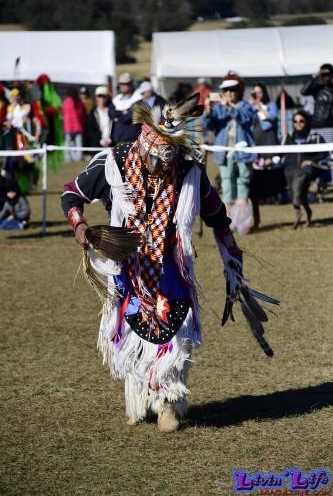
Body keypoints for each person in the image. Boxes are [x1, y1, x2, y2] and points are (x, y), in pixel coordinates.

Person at [61, 93, 277, 432]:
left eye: (168, 161)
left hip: (171, 270)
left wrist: (233, 263)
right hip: (127, 271)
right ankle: (139, 397)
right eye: (157, 160)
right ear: (144, 148)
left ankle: (169, 403)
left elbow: (219, 218)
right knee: (133, 339)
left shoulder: (188, 172)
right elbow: (71, 193)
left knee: (173, 335)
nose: (163, 169)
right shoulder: (113, 162)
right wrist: (81, 226)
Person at [202, 72, 256, 230]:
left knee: (243, 182)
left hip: (243, 150)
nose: (229, 93)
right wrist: (208, 111)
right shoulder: (218, 108)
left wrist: (230, 108)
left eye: (233, 89)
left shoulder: (245, 106)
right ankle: (227, 222)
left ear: (240, 90)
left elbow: (247, 119)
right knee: (226, 183)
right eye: (226, 90)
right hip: (224, 151)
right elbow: (208, 125)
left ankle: (243, 222)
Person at [282, 109, 328, 229]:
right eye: (295, 121)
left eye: (301, 121)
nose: (298, 123)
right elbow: (280, 152)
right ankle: (308, 213)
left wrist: (311, 161)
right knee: (298, 195)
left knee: (297, 191)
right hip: (290, 171)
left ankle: (298, 216)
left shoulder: (315, 137)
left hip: (306, 171)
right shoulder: (288, 137)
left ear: (306, 122)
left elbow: (325, 153)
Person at [301, 63, 333, 142]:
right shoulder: (317, 88)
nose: (326, 78)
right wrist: (314, 77)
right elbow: (303, 91)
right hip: (317, 125)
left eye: (328, 75)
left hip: (331, 126)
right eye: (323, 75)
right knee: (317, 152)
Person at [249, 82, 278, 167]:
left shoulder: (271, 104)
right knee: (257, 165)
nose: (257, 95)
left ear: (264, 92)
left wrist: (260, 107)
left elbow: (273, 116)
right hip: (255, 139)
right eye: (255, 93)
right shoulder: (251, 106)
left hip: (268, 138)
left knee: (269, 164)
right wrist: (250, 106)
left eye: (259, 92)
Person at [108, 73, 142, 144]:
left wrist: (117, 115)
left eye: (126, 84)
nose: (123, 86)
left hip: (133, 140)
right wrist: (123, 112)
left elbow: (126, 118)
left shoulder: (138, 99)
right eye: (121, 84)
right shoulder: (116, 99)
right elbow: (110, 113)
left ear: (131, 84)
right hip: (118, 139)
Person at [62, 87, 86, 162]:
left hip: (68, 127)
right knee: (78, 144)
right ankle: (78, 158)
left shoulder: (66, 101)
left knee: (67, 143)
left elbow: (63, 113)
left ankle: (68, 158)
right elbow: (82, 114)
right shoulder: (78, 102)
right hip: (77, 126)